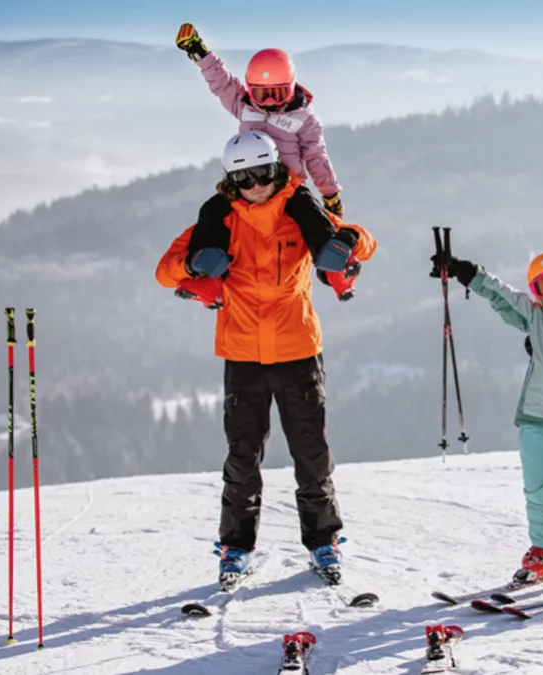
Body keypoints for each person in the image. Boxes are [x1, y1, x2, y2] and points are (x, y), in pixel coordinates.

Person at [155, 130, 376, 589]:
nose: (255, 185)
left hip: (298, 351)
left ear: (276, 168)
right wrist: (193, 265)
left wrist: (349, 241)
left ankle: (323, 541)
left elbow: (364, 241)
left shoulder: (301, 210)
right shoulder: (219, 218)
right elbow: (164, 270)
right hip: (243, 356)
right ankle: (235, 548)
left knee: (311, 455)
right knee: (242, 459)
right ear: (231, 181)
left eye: (262, 173)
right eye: (244, 178)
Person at [432, 248, 543, 582]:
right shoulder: (536, 317)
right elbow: (502, 295)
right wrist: (468, 272)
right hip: (534, 419)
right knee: (538, 490)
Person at [175, 23, 345, 216]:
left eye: (278, 94)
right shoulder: (245, 107)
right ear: (250, 89)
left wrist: (330, 194)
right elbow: (222, 82)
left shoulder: (303, 118)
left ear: (291, 88)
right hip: (249, 185)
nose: (269, 102)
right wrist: (198, 51)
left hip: (287, 190)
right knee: (214, 214)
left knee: (309, 221)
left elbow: (316, 156)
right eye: (261, 95)